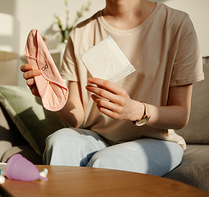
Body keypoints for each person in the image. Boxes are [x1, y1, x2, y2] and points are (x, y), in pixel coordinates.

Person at [20, 0, 204, 176]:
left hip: (157, 142)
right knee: (59, 141)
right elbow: (77, 118)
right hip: (98, 138)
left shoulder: (177, 25)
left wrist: (135, 111)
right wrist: (51, 93)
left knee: (107, 162)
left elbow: (181, 116)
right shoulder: (80, 33)